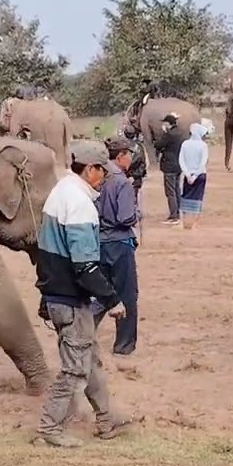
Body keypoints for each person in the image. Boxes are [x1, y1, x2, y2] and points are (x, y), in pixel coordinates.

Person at [33, 140, 133, 448]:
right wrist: (112, 300)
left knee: (90, 361)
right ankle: (50, 427)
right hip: (70, 299)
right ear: (90, 169)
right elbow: (85, 266)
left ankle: (107, 419)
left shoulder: (60, 192)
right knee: (75, 368)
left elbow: (48, 252)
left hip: (56, 293)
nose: (105, 177)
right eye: (103, 171)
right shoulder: (80, 204)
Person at [97, 137, 141, 356]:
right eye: (130, 154)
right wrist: (136, 214)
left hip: (99, 242)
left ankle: (82, 335)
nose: (131, 158)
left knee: (100, 292)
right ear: (122, 155)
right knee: (127, 294)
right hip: (119, 243)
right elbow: (125, 218)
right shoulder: (122, 182)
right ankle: (124, 345)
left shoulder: (98, 177)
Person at [178, 121, 211, 229]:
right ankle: (194, 223)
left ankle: (182, 222)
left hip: (188, 175)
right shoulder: (203, 145)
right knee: (198, 198)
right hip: (200, 175)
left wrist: (187, 175)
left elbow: (181, 160)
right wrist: (195, 175)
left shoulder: (185, 144)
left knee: (185, 197)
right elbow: (203, 162)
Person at [155, 113, 186, 225]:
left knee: (170, 191)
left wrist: (164, 133)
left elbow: (158, 145)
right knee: (177, 189)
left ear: (169, 123)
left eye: (165, 122)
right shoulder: (180, 133)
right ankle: (178, 213)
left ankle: (173, 216)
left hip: (169, 165)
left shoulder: (169, 135)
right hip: (178, 165)